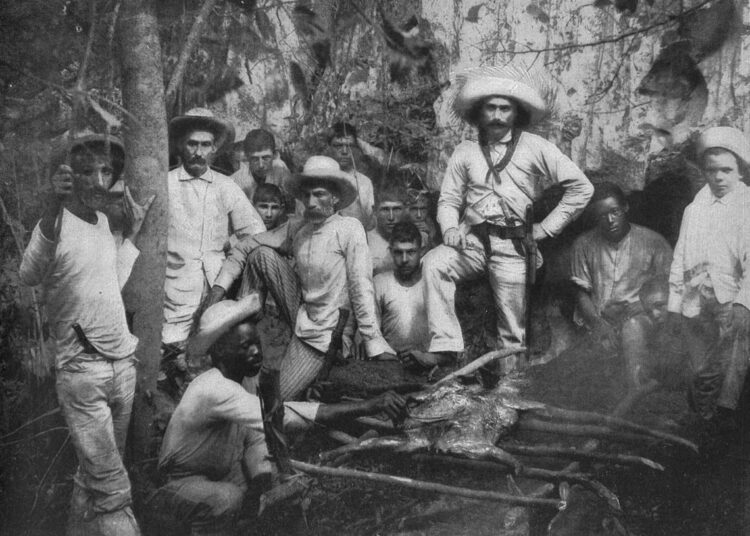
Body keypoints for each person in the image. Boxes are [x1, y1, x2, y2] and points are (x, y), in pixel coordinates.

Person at [148, 295, 407, 535]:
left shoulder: (245, 379)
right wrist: (366, 406)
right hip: (177, 487)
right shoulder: (213, 388)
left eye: (255, 343)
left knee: (266, 479)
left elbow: (256, 437)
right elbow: (280, 417)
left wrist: (265, 482)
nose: (255, 352)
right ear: (219, 354)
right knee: (227, 499)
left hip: (218, 475)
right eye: (244, 347)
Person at [19, 132, 154, 535]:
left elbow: (109, 282)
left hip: (121, 368)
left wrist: (132, 235)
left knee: (91, 476)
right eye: (86, 172)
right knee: (112, 489)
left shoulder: (100, 226)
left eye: (106, 171)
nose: (99, 181)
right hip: (83, 374)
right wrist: (50, 207)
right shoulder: (56, 224)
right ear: (67, 177)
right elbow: (29, 273)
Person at [422, 64, 593, 362]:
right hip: (472, 242)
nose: (498, 116)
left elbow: (582, 187)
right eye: (491, 108)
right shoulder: (465, 151)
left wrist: (546, 227)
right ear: (479, 112)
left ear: (517, 113)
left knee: (512, 331)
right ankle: (446, 348)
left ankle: (507, 391)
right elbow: (448, 200)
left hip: (513, 247)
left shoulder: (535, 147)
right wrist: (449, 227)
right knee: (434, 263)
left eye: (505, 108)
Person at [207, 156, 395, 400]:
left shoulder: (349, 228)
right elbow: (245, 247)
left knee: (276, 404)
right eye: (306, 196)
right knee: (261, 255)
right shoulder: (299, 228)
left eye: (319, 195)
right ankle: (240, 338)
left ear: (336, 197)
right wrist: (217, 293)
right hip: (302, 315)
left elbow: (361, 286)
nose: (311, 202)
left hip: (328, 331)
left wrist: (373, 341)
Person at [162, 108, 265, 375]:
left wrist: (229, 248)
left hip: (218, 284)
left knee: (217, 359)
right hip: (175, 286)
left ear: (215, 148)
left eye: (205, 145)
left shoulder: (225, 185)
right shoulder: (166, 184)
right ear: (181, 146)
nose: (198, 152)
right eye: (192, 144)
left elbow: (255, 232)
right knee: (175, 359)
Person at [667, 126, 750, 438]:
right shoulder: (695, 209)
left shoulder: (746, 207)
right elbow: (681, 255)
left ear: (740, 170)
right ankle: (701, 418)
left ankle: (722, 421)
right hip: (697, 298)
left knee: (728, 367)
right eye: (712, 170)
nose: (718, 178)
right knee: (699, 366)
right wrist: (675, 304)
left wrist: (744, 303)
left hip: (732, 299)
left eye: (726, 170)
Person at [570, 182, 673, 389]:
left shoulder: (653, 242)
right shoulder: (583, 245)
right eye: (601, 215)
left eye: (614, 212)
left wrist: (644, 307)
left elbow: (669, 286)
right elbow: (581, 293)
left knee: (632, 330)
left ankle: (636, 394)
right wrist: (598, 324)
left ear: (625, 207)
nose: (610, 220)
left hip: (641, 317)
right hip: (599, 318)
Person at [374, 222, 446, 370]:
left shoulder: (434, 283)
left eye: (411, 252)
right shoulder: (380, 283)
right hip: (388, 366)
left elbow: (449, 344)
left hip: (427, 367)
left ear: (421, 251)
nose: (405, 259)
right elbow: (370, 334)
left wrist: (424, 357)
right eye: (399, 253)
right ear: (391, 251)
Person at [327, 122, 376, 230]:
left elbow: (369, 221)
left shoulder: (364, 182)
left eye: (349, 146)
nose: (345, 151)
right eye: (338, 146)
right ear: (329, 147)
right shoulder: (316, 177)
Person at [231, 128, 294, 209]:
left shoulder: (280, 169)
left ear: (275, 154)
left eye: (266, 158)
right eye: (255, 159)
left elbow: (292, 201)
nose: (261, 165)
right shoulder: (235, 182)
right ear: (247, 157)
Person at [368, 184, 406, 275]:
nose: (391, 217)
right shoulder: (364, 241)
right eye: (385, 209)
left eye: (397, 209)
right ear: (375, 211)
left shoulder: (414, 240)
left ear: (405, 210)